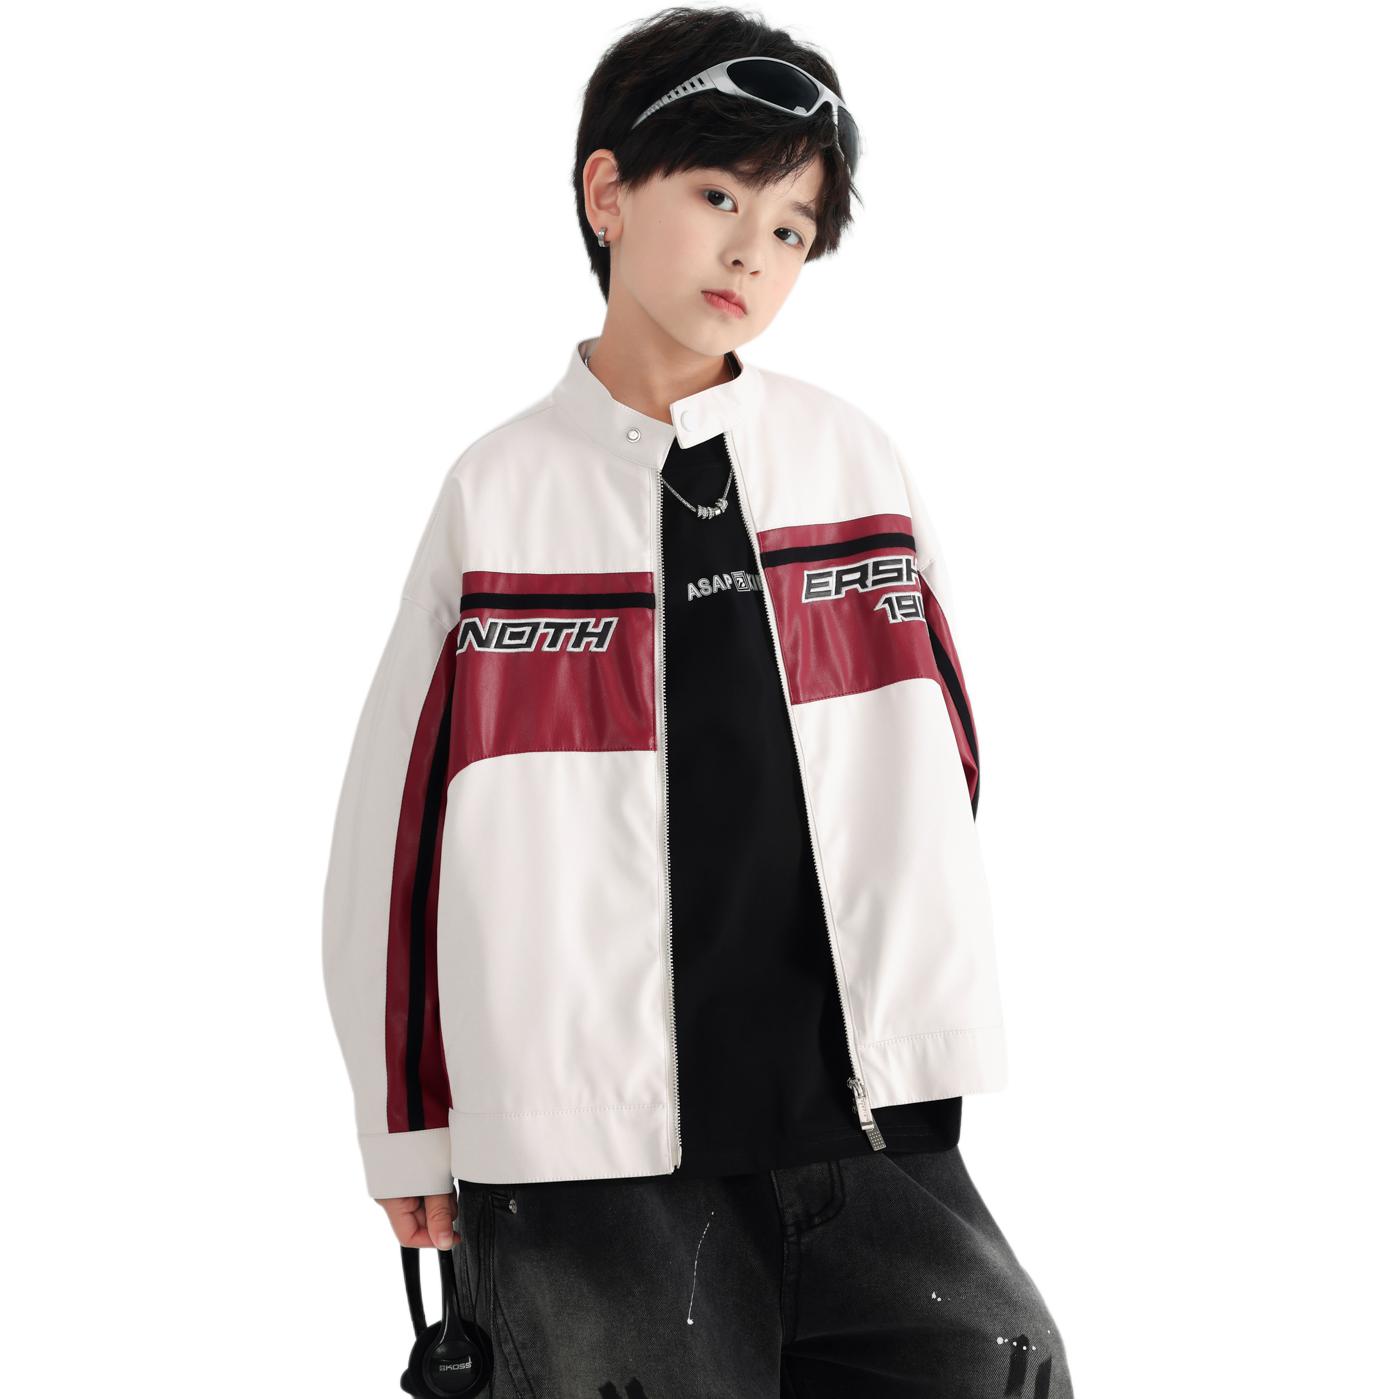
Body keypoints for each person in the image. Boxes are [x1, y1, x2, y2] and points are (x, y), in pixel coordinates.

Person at [322, 7, 1074, 1393]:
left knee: (1006, 1364)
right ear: (608, 192)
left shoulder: (853, 461)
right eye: (719, 196)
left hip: (859, 1124)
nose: (751, 252)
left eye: (790, 227)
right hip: (587, 1150)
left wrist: (911, 1004)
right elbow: (399, 841)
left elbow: (946, 751)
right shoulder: (502, 496)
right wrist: (406, 1127)